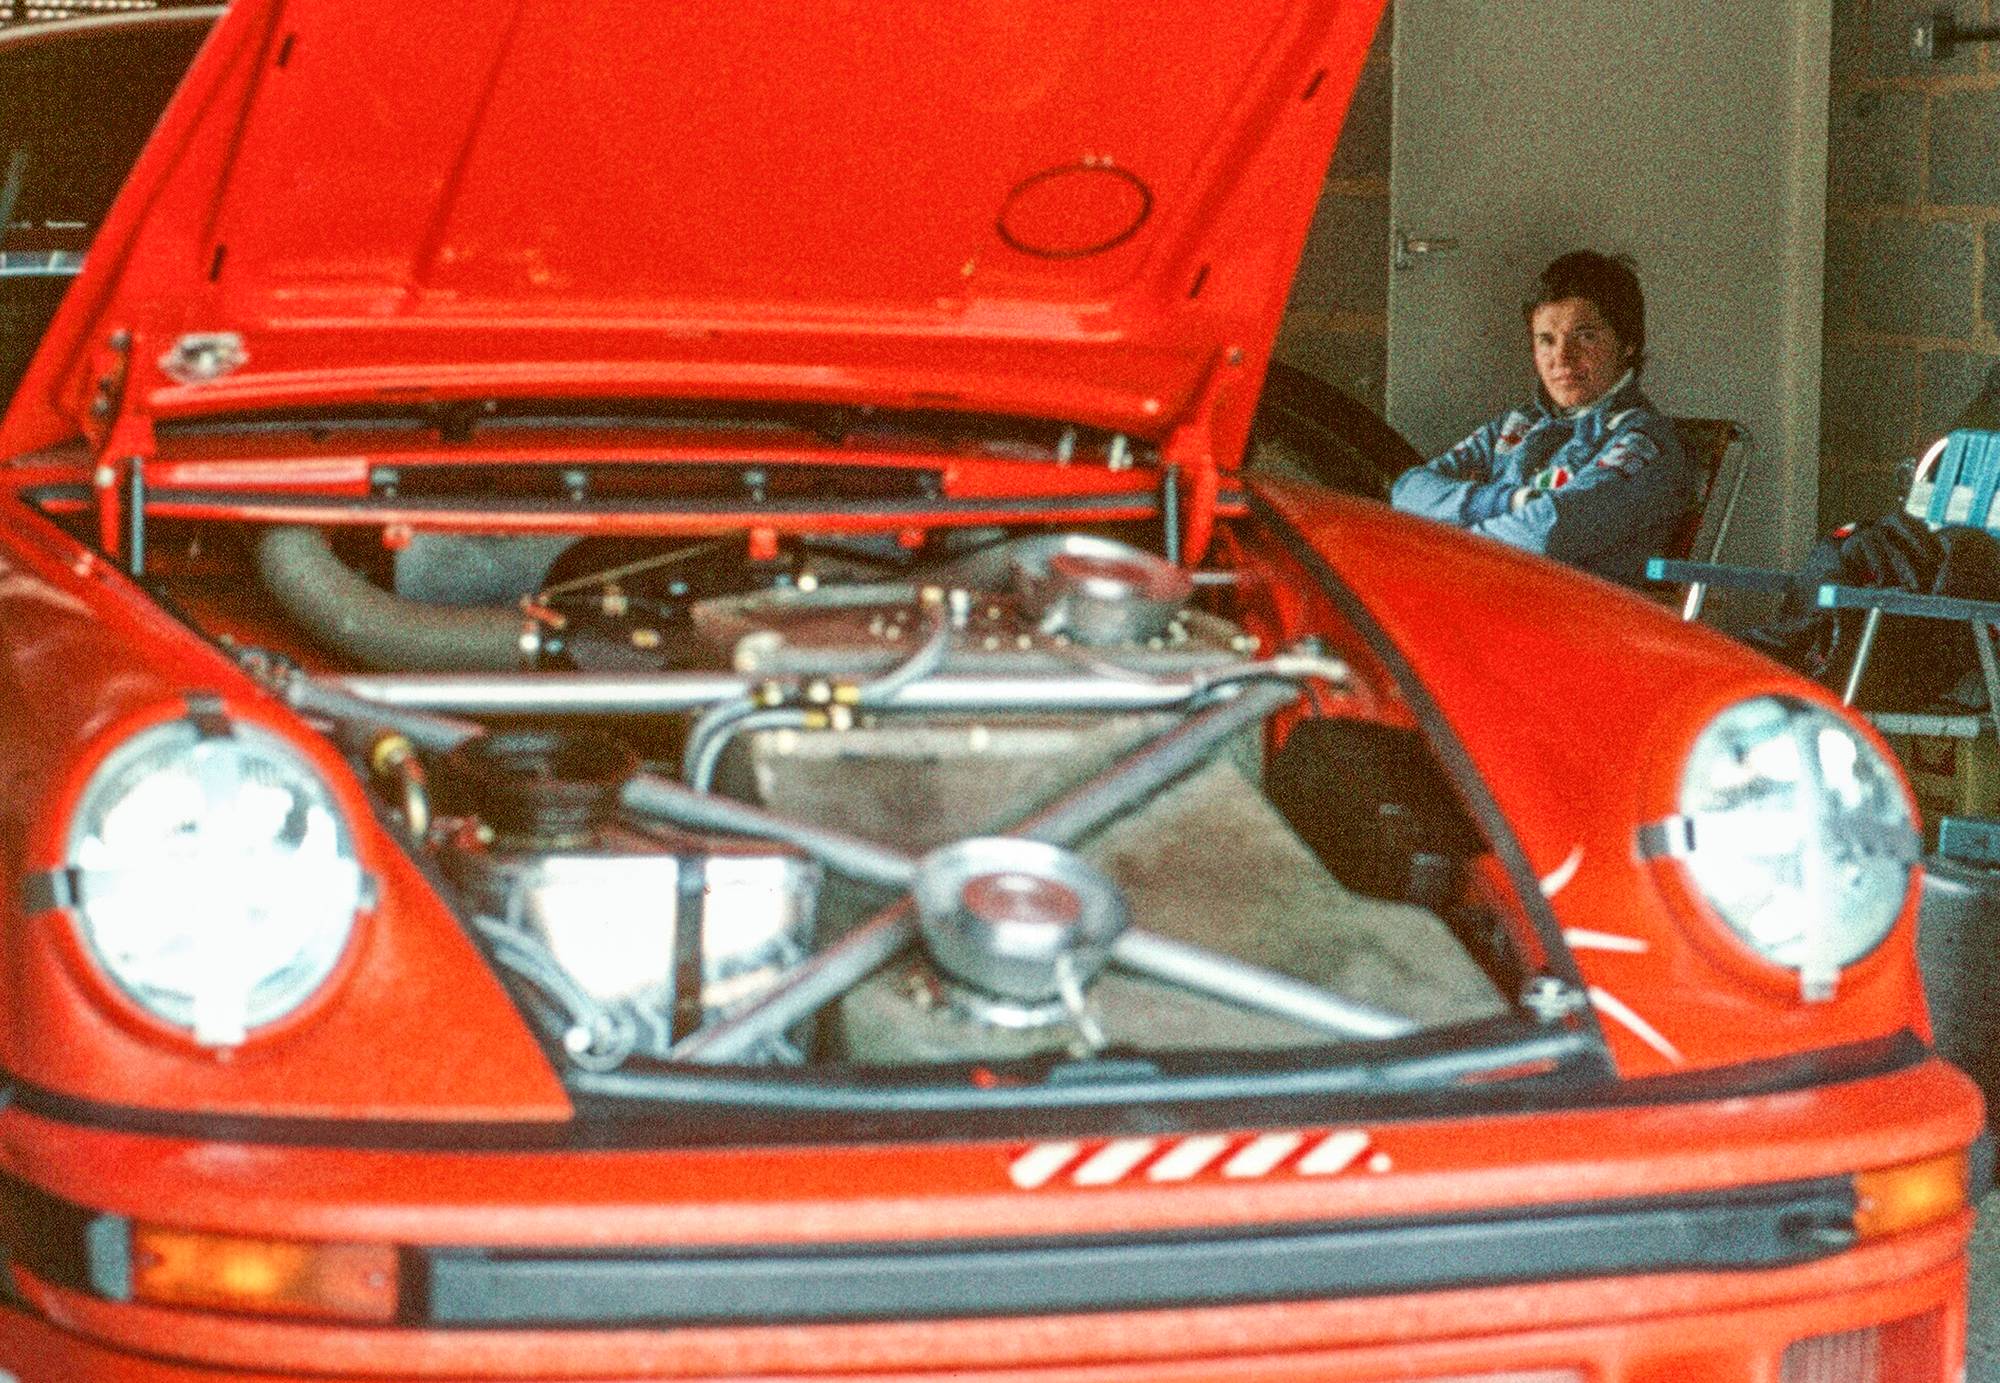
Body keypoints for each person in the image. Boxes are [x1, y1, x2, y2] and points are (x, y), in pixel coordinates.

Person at [1389, 250, 1694, 586]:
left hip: (1579, 621)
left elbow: (1546, 532)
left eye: (1585, 336)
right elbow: (1407, 492)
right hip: (1490, 598)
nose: (1562, 357)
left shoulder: (1643, 442)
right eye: (1546, 340)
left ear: (1628, 343)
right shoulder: (1517, 426)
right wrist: (1510, 499)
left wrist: (1443, 538)